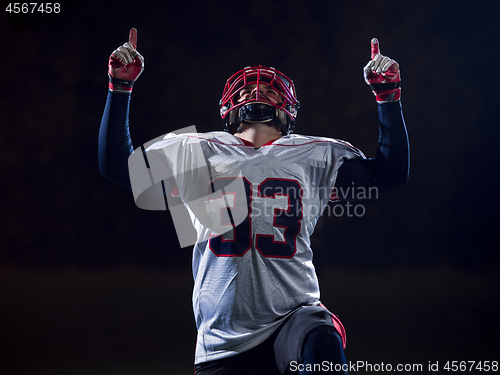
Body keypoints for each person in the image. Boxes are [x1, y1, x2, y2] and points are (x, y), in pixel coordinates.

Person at [98, 28, 409, 374]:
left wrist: (388, 97)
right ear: (229, 107)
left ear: (288, 109)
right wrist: (120, 88)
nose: (255, 90)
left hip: (293, 318)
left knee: (321, 336)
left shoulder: (315, 153)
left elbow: (389, 174)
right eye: (247, 88)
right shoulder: (196, 149)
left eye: (266, 88)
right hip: (222, 339)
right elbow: (117, 167)